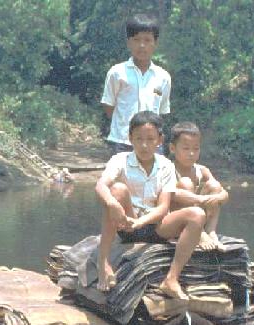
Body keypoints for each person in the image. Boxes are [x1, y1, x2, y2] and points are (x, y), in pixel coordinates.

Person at [95, 111, 206, 299]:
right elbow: (100, 185)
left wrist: (141, 222)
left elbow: (163, 208)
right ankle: (103, 262)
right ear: (130, 138)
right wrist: (112, 203)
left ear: (160, 140)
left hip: (156, 224)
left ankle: (171, 279)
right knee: (118, 190)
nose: (144, 145)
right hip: (125, 223)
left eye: (150, 139)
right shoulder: (120, 160)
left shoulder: (165, 166)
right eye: (138, 139)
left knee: (197, 214)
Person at [101, 14, 171, 156]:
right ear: (128, 42)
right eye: (136, 40)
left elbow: (162, 112)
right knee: (121, 178)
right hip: (123, 141)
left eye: (147, 40)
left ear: (155, 43)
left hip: (153, 144)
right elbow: (109, 106)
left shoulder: (163, 77)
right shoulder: (117, 73)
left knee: (152, 178)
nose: (142, 45)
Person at [169, 122, 229, 250]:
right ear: (173, 149)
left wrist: (220, 196)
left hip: (200, 216)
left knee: (214, 185)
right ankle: (199, 233)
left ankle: (210, 231)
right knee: (185, 183)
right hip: (180, 219)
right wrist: (199, 199)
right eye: (186, 149)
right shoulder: (167, 170)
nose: (191, 153)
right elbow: (172, 195)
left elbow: (223, 194)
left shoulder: (202, 170)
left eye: (195, 149)